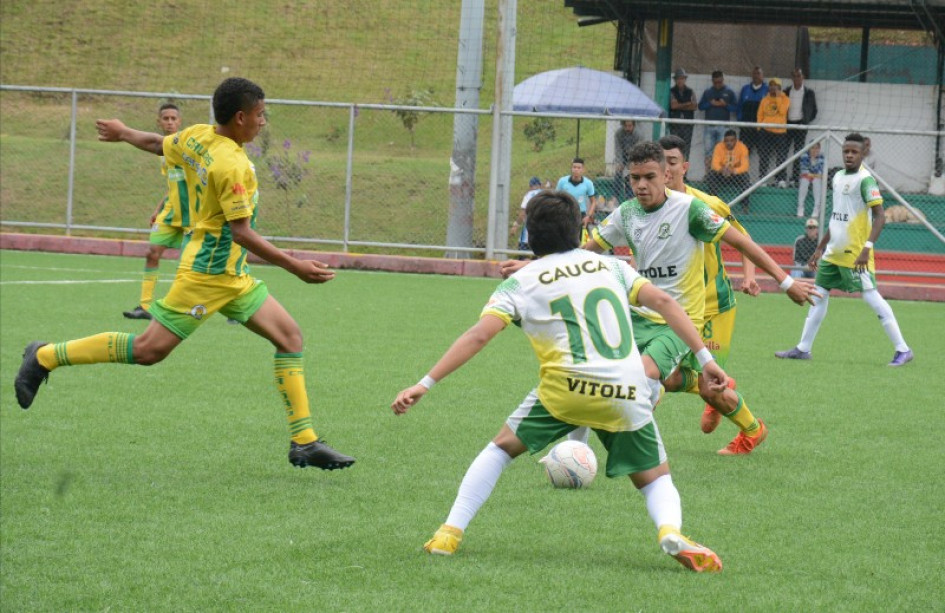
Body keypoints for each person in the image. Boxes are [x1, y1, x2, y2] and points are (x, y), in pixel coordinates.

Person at [14, 77, 356, 470]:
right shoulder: (233, 164)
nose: (264, 121)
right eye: (261, 115)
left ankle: (304, 441)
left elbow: (157, 144)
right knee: (148, 351)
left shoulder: (196, 136)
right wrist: (294, 266)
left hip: (232, 275)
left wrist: (124, 131)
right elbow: (241, 232)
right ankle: (44, 356)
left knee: (290, 337)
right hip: (207, 275)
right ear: (241, 116)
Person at [394, 190, 726, 572]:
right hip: (628, 387)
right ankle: (670, 529)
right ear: (578, 229)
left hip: (565, 390)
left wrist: (425, 383)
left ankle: (449, 532)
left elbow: (478, 336)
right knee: (654, 479)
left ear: (530, 238)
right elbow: (667, 304)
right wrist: (706, 358)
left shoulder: (521, 282)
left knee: (500, 449)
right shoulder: (612, 267)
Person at [504, 143, 817, 455]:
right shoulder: (626, 214)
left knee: (650, 376)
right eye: (635, 178)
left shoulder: (693, 208)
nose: (641, 185)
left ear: (670, 173)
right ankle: (578, 452)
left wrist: (786, 281)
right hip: (641, 314)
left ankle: (646, 447)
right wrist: (534, 266)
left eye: (650, 176)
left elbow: (741, 240)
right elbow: (584, 253)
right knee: (596, 369)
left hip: (687, 317)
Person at [776, 133, 914, 366]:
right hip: (833, 253)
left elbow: (880, 216)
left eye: (854, 152)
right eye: (846, 151)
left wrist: (867, 248)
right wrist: (820, 248)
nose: (849, 155)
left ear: (862, 154)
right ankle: (803, 348)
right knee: (818, 296)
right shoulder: (838, 177)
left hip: (855, 254)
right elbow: (836, 217)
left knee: (871, 297)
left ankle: (903, 349)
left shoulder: (865, 180)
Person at [657, 134, 761, 435]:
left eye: (672, 162)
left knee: (709, 390)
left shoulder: (707, 204)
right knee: (661, 375)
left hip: (714, 307)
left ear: (685, 167)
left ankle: (753, 431)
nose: (666, 169)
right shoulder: (648, 208)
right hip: (675, 307)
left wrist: (750, 277)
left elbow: (744, 241)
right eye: (660, 163)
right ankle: (715, 385)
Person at [123, 103, 185, 320]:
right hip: (170, 212)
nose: (169, 122)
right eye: (165, 118)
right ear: (158, 122)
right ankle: (145, 306)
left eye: (173, 118)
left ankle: (233, 303)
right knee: (152, 253)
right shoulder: (162, 151)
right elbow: (173, 184)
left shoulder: (186, 145)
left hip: (193, 214)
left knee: (193, 263)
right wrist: (158, 208)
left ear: (180, 122)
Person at [697, 70, 737, 172]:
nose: (718, 85)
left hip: (723, 127)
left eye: (720, 82)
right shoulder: (708, 92)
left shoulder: (729, 92)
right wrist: (711, 103)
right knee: (708, 151)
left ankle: (720, 175)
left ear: (723, 80)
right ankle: (708, 174)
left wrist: (725, 105)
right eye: (715, 83)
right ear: (712, 81)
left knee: (722, 151)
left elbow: (736, 108)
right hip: (709, 126)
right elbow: (700, 106)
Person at [784, 68, 818, 185]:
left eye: (799, 75)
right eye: (794, 76)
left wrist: (805, 121)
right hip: (787, 124)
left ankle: (794, 178)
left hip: (801, 126)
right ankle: (781, 178)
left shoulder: (809, 93)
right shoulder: (786, 91)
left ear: (803, 77)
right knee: (783, 151)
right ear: (792, 78)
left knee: (798, 152)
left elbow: (814, 111)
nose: (797, 78)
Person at [756, 78, 790, 186]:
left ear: (779, 88)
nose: (772, 88)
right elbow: (760, 114)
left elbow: (782, 111)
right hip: (765, 131)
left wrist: (778, 97)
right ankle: (763, 178)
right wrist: (759, 128)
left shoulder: (785, 99)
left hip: (780, 132)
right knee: (764, 155)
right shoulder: (765, 99)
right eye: (771, 85)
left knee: (781, 156)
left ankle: (780, 179)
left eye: (775, 86)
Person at [707, 129, 751, 208]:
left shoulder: (742, 147)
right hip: (722, 173)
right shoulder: (719, 146)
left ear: (736, 140)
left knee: (746, 177)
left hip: (736, 174)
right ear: (724, 140)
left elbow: (745, 166)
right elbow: (714, 164)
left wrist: (734, 170)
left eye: (731, 141)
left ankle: (744, 205)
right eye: (726, 141)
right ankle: (713, 202)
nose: (729, 143)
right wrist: (721, 170)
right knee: (711, 175)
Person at [555, 157, 598, 235]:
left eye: (579, 168)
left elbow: (593, 202)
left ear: (583, 169)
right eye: (574, 167)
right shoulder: (562, 181)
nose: (576, 170)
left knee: (579, 241)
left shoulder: (588, 183)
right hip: (565, 213)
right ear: (571, 168)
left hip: (580, 215)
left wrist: (588, 216)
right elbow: (555, 198)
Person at [736, 66, 768, 154]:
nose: (756, 76)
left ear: (762, 76)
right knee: (743, 152)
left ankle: (763, 168)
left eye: (758, 73)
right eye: (754, 73)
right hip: (746, 127)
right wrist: (740, 120)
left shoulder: (767, 89)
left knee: (763, 152)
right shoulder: (745, 89)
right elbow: (740, 106)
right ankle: (742, 168)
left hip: (760, 127)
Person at [668, 68, 696, 159]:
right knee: (674, 148)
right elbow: (673, 106)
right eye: (678, 78)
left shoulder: (690, 91)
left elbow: (694, 106)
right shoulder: (671, 91)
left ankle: (684, 172)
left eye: (682, 78)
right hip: (675, 125)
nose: (680, 80)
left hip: (687, 125)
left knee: (686, 149)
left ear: (685, 79)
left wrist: (679, 105)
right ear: (675, 80)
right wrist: (687, 104)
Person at [510, 176, 543, 252]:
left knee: (524, 254)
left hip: (529, 230)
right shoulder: (545, 195)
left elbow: (523, 213)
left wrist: (516, 225)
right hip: (542, 231)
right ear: (540, 185)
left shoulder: (529, 195)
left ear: (530, 186)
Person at [613, 120, 642, 201]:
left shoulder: (638, 134)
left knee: (630, 174)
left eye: (630, 126)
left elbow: (638, 150)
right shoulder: (619, 133)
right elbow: (618, 148)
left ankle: (630, 198)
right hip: (622, 155)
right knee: (618, 172)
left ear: (634, 125)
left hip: (634, 156)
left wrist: (631, 162)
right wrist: (619, 162)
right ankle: (615, 197)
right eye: (626, 126)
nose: (628, 128)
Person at [796, 141, 825, 217]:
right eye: (812, 148)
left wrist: (812, 173)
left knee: (817, 183)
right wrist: (813, 173)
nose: (814, 150)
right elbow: (804, 169)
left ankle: (816, 209)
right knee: (804, 183)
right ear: (809, 148)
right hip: (806, 176)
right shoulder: (804, 155)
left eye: (817, 148)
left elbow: (820, 170)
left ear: (819, 149)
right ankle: (800, 207)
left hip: (815, 177)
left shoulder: (821, 157)